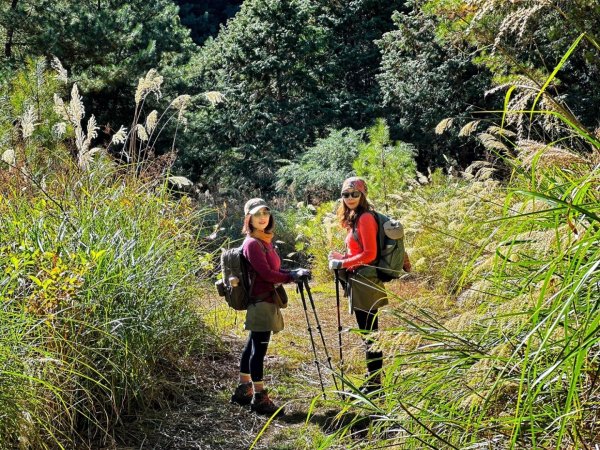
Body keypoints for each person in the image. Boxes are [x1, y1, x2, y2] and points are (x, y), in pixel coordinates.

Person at [328, 177, 410, 394]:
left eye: (355, 194)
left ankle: (375, 385)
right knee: (369, 334)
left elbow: (370, 254)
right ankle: (373, 380)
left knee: (371, 335)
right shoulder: (356, 218)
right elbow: (359, 251)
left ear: (362, 195)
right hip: (361, 280)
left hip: (366, 281)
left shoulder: (364, 218)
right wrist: (341, 256)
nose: (350, 198)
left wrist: (342, 263)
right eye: (346, 194)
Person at [230, 198, 310, 415]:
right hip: (261, 302)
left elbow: (273, 270)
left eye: (265, 212)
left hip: (265, 300)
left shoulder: (264, 241)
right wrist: (291, 277)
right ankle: (259, 397)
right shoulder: (253, 244)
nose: (263, 217)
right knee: (259, 350)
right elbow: (266, 274)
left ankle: (243, 389)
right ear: (249, 219)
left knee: (252, 345)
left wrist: (291, 273)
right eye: (257, 214)